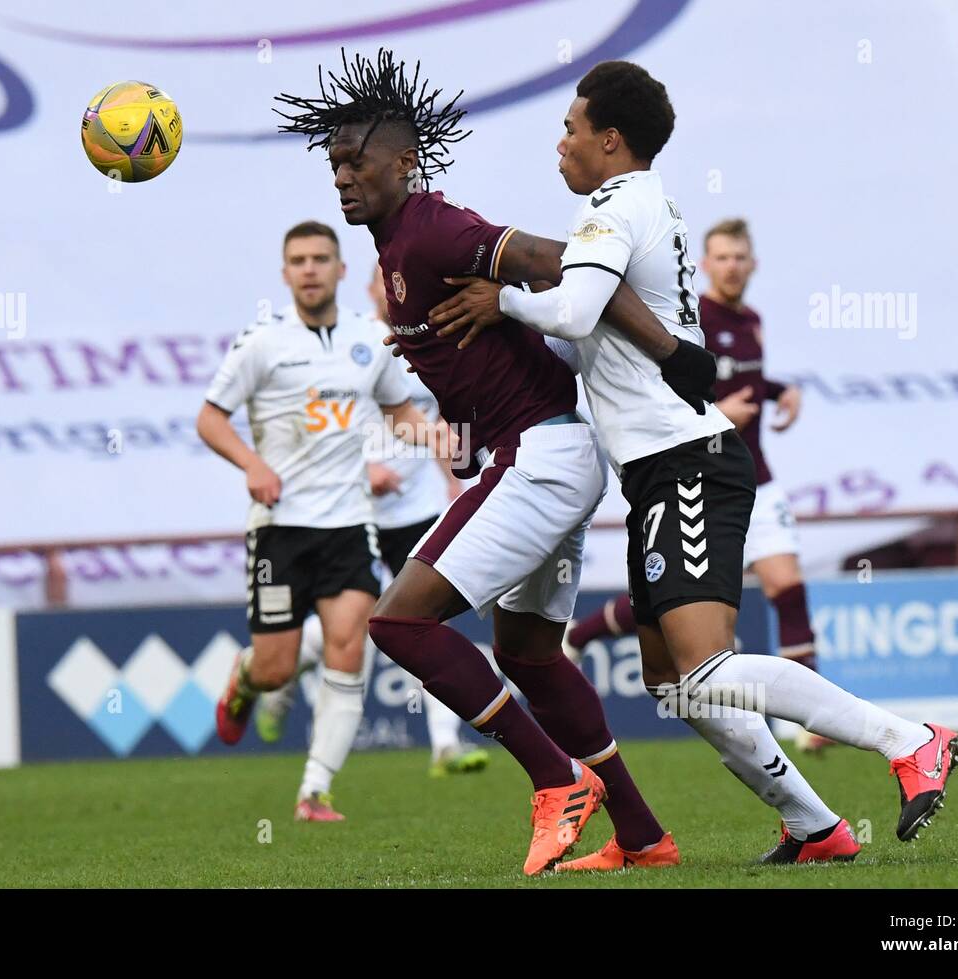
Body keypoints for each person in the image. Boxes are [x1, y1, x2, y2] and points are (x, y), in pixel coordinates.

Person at [429, 60, 958, 863]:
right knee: (675, 682)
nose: (561, 143)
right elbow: (594, 347)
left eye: (571, 129)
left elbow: (574, 311)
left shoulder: (617, 203)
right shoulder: (646, 207)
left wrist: (499, 298)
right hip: (657, 467)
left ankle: (911, 738)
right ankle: (815, 825)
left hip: (686, 459)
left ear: (610, 141)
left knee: (707, 669)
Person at [275, 49, 714, 874]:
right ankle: (644, 835)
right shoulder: (395, 250)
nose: (341, 176)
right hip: (539, 454)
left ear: (403, 162)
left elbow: (567, 263)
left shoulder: (437, 228)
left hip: (541, 454)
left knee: (398, 621)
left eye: (356, 161)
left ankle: (556, 780)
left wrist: (667, 348)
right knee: (527, 655)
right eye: (333, 163)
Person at [564, 217, 833, 753]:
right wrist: (716, 412)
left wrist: (782, 390)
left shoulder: (751, 319)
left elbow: (743, 379)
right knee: (676, 610)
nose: (732, 266)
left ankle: (812, 725)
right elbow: (666, 384)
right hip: (701, 478)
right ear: (704, 265)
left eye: (740, 257)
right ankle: (582, 634)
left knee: (789, 587)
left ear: (752, 264)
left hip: (757, 478)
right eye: (722, 257)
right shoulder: (694, 317)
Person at [198, 220, 432, 822]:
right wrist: (251, 464)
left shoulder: (368, 337)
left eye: (320, 259)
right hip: (279, 529)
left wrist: (454, 441)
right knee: (276, 667)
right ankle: (246, 679)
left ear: (340, 269)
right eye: (298, 260)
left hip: (350, 525)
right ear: (285, 273)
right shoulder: (262, 343)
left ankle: (314, 791)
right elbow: (210, 419)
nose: (309, 269)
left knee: (349, 648)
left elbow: (401, 412)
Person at [254, 264, 491, 778]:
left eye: (403, 280)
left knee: (429, 623)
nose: (397, 289)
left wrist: (450, 476)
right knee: (353, 630)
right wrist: (366, 467)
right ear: (369, 290)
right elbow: (312, 428)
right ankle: (282, 677)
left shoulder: (434, 340)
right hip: (348, 507)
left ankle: (445, 746)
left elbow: (439, 418)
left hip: (418, 507)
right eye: (387, 280)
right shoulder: (351, 345)